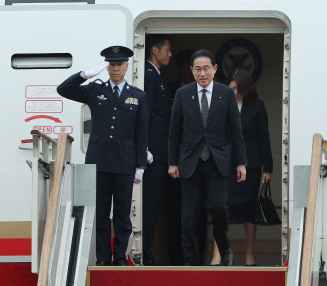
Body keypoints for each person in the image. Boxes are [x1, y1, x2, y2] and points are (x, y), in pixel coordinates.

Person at [57, 45, 150, 266]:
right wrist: (85, 75)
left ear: (127, 66)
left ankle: (119, 258)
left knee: (122, 214)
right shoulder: (93, 89)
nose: (115, 68)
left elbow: (142, 132)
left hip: (125, 162)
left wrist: (140, 165)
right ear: (106, 66)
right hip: (98, 162)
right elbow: (63, 89)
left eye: (119, 64)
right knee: (100, 213)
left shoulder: (138, 96)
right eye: (111, 64)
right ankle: (102, 258)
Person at [167, 49, 247, 266]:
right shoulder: (183, 94)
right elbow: (174, 132)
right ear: (192, 71)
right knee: (189, 216)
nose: (202, 73)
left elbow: (236, 131)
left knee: (218, 207)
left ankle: (224, 248)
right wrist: (172, 162)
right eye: (198, 69)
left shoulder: (226, 93)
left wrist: (241, 162)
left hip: (217, 161)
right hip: (189, 162)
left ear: (215, 69)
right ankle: (190, 261)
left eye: (206, 68)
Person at [211, 68, 273, 266]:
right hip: (225, 166)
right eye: (231, 88)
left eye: (238, 88)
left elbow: (263, 137)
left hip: (251, 166)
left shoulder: (257, 106)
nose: (234, 92)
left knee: (248, 211)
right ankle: (218, 254)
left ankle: (249, 253)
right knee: (221, 208)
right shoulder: (221, 104)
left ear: (247, 88)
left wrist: (268, 168)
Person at [141, 34, 182, 265]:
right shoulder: (148, 76)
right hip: (153, 153)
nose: (170, 54)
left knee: (155, 202)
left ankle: (147, 251)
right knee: (151, 203)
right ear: (154, 51)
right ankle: (145, 252)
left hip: (160, 151)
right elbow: (146, 114)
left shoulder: (156, 76)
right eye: (167, 49)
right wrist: (145, 148)